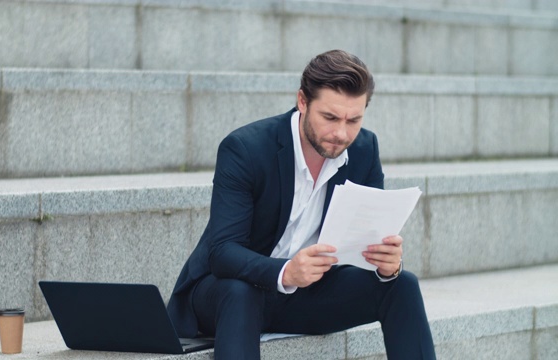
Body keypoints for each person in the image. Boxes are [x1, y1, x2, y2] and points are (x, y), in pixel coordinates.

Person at [167, 49, 436, 359]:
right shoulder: (246, 148)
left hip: (308, 293)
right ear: (302, 102)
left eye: (354, 120)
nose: (341, 133)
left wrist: (386, 263)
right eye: (330, 117)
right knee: (240, 292)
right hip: (227, 294)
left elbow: (366, 240)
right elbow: (223, 253)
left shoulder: (364, 148)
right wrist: (286, 272)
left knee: (401, 284)